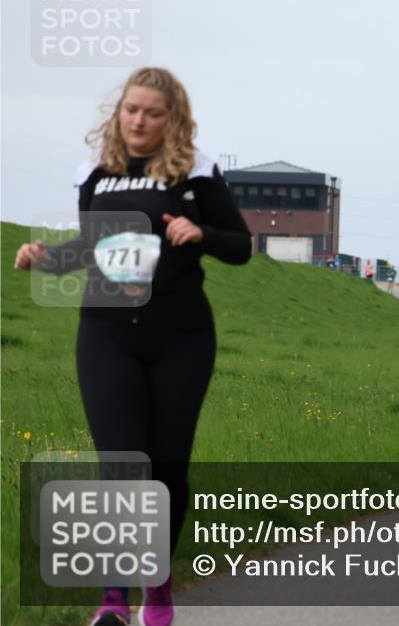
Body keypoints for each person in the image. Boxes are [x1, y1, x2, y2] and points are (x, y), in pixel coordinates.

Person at [15, 67, 251, 626]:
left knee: (167, 470)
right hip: (107, 333)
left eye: (152, 113)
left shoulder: (196, 173)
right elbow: (90, 247)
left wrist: (201, 234)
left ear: (172, 119)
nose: (139, 121)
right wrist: (47, 259)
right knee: (121, 463)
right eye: (131, 110)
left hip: (181, 337)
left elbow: (240, 246)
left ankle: (158, 582)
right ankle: (114, 599)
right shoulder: (95, 174)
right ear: (118, 112)